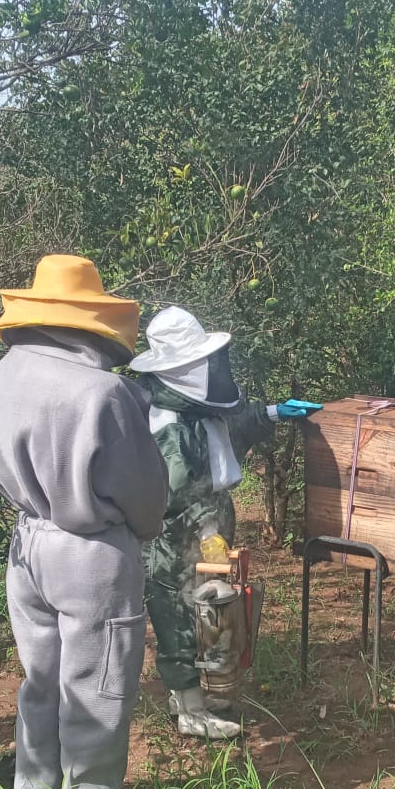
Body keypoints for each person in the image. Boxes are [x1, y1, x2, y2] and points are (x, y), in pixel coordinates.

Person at [0, 254, 168, 789]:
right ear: (92, 319)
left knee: (41, 678)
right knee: (98, 683)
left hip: (26, 544)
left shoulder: (2, 375)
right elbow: (143, 491)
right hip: (90, 551)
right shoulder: (102, 392)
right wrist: (142, 529)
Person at [130, 305, 321, 740]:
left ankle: (208, 692)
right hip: (176, 536)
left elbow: (229, 424)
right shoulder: (168, 421)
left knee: (211, 612)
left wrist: (274, 412)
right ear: (178, 369)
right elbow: (176, 494)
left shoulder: (197, 407)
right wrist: (207, 532)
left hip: (211, 522)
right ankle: (190, 710)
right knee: (179, 614)